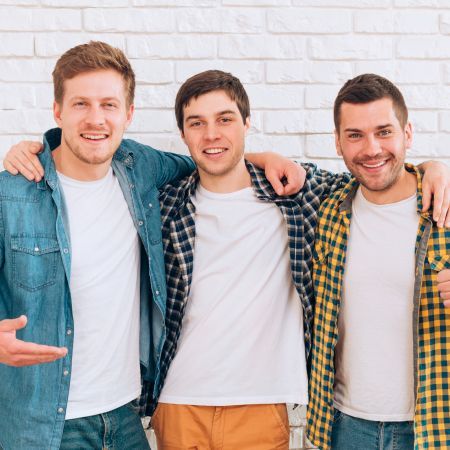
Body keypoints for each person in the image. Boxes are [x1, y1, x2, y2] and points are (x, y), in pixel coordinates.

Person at [4, 69, 450, 449]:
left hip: (261, 404)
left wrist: (433, 167)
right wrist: (36, 148)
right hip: (177, 402)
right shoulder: (161, 200)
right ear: (182, 135)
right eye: (197, 123)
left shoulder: (295, 196)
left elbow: (375, 177)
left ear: (247, 123)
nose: (212, 134)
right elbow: (90, 162)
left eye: (225, 120)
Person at [0, 42, 301, 450]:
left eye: (108, 104)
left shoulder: (138, 169)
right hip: (44, 425)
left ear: (128, 113)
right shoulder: (11, 194)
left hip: (126, 418)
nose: (96, 119)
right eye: (80, 104)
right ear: (57, 111)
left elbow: (210, 159)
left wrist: (264, 156)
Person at [307, 74, 450, 450]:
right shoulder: (327, 206)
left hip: (433, 428)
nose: (371, 149)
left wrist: (437, 166)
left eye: (384, 132)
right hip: (343, 426)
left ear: (408, 133)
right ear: (337, 143)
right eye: (355, 135)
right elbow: (245, 166)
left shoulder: (444, 207)